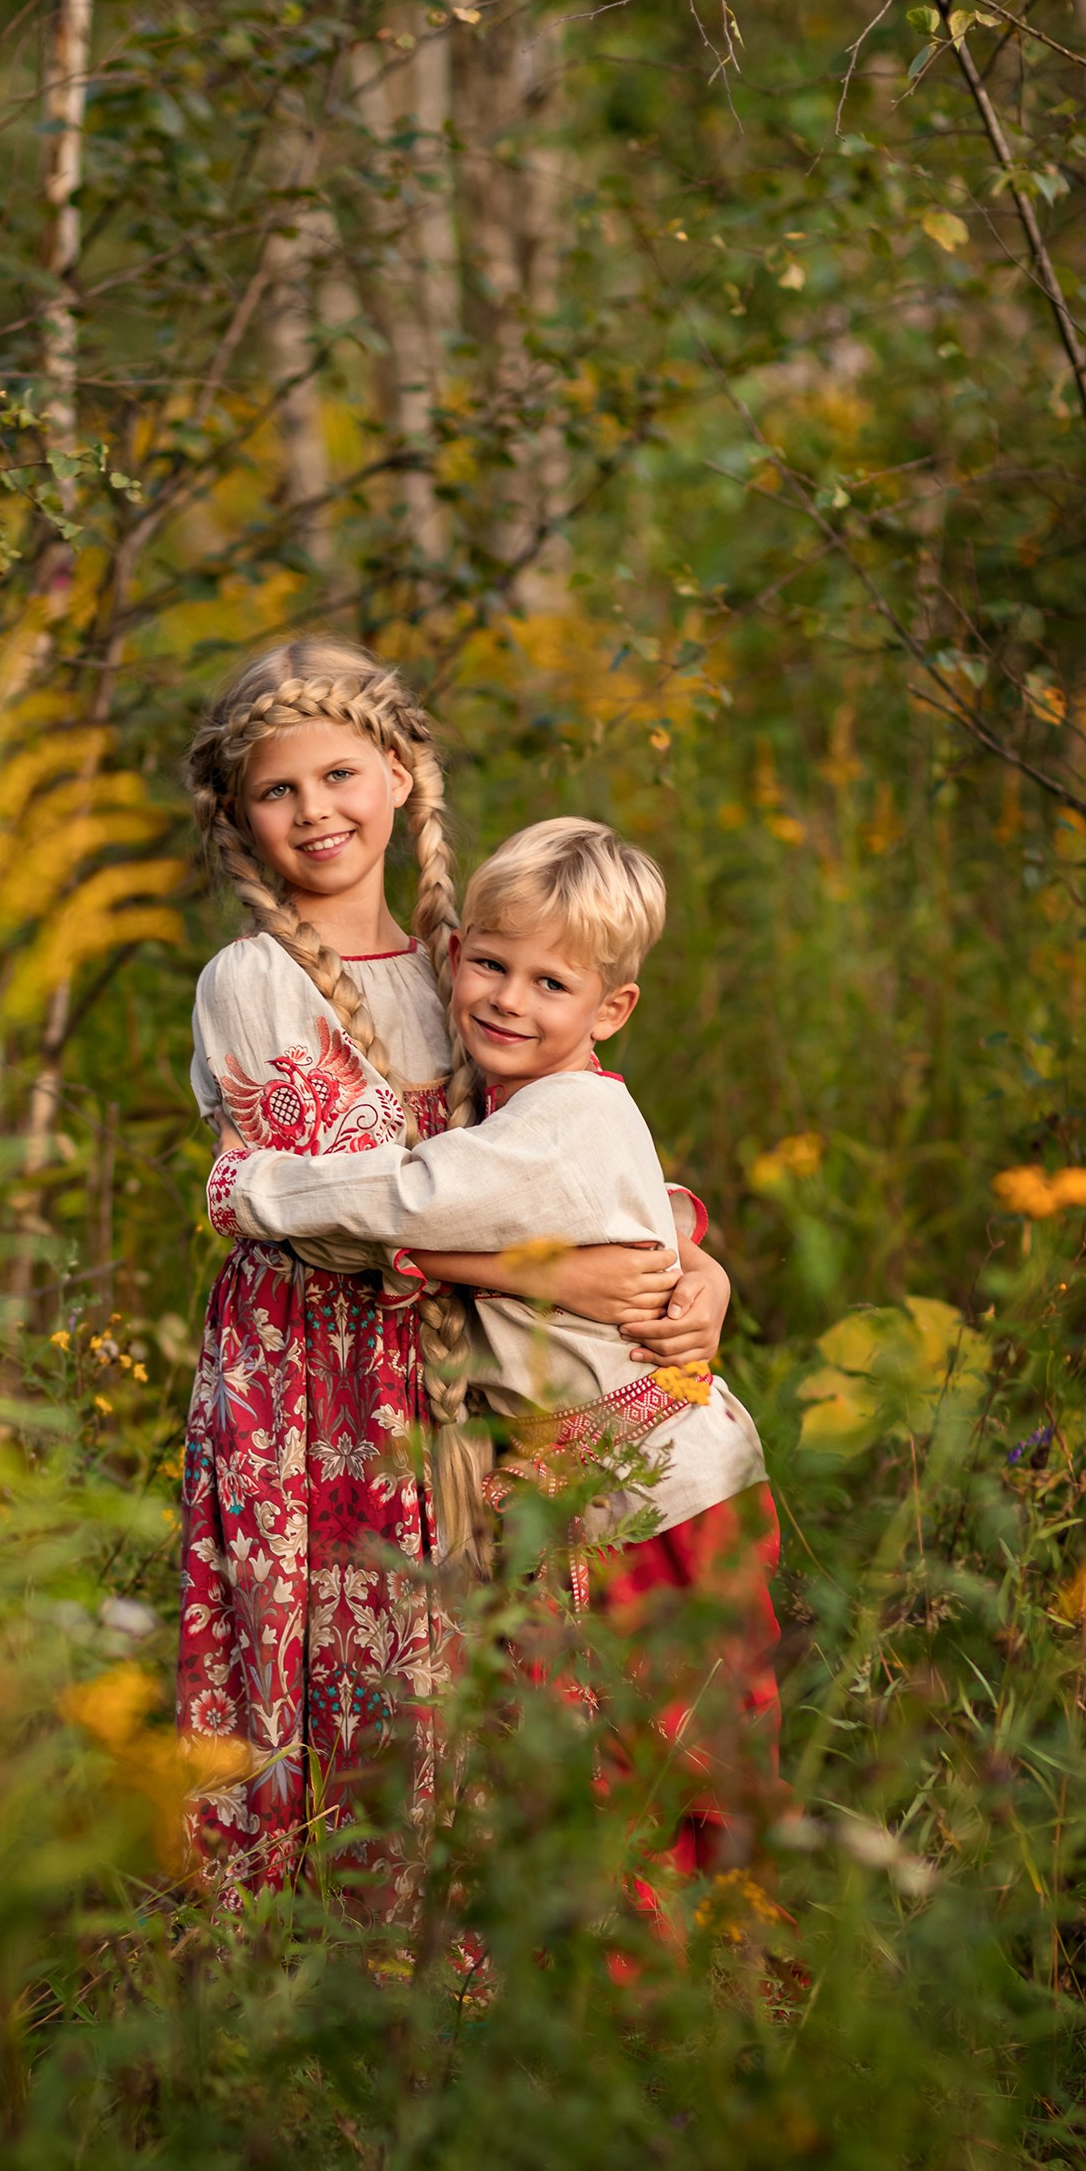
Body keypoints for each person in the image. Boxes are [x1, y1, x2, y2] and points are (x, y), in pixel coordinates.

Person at [179, 639, 731, 1899]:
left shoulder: (471, 961)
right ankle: (323, 1957)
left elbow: (563, 1151)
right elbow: (334, 1219)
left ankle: (488, 1960)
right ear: (238, 816)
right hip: (319, 1378)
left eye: (339, 773)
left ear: (400, 774)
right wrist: (555, 1282)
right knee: (350, 1670)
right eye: (276, 790)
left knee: (484, 1683)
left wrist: (685, 1263)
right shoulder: (255, 980)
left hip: (465, 1387)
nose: (315, 810)